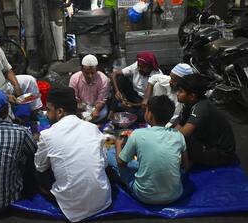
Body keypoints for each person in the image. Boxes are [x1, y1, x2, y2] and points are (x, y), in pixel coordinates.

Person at [34, 87, 111, 222]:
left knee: (36, 170)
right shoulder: (92, 128)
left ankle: (51, 191)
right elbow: (104, 163)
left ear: (59, 111)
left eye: (49, 109)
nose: (47, 114)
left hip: (73, 207)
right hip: (103, 199)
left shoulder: (47, 135)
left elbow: (40, 167)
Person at [107, 95, 189, 205]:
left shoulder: (137, 134)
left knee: (111, 154)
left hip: (144, 196)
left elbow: (121, 163)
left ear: (150, 115)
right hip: (175, 194)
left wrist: (118, 145)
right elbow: (186, 165)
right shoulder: (178, 135)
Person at [175, 74, 236, 166]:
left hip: (222, 152)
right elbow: (180, 125)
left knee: (181, 147)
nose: (177, 93)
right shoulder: (188, 103)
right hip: (206, 141)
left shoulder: (201, 108)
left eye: (181, 91)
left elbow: (182, 134)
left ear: (191, 96)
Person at [69, 54, 110, 122]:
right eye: (87, 73)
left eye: (93, 73)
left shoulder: (103, 79)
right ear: (81, 70)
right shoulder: (74, 78)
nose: (90, 76)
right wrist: (81, 107)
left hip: (96, 106)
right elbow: (74, 96)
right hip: (81, 106)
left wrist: (96, 110)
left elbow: (102, 99)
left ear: (97, 70)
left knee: (103, 113)